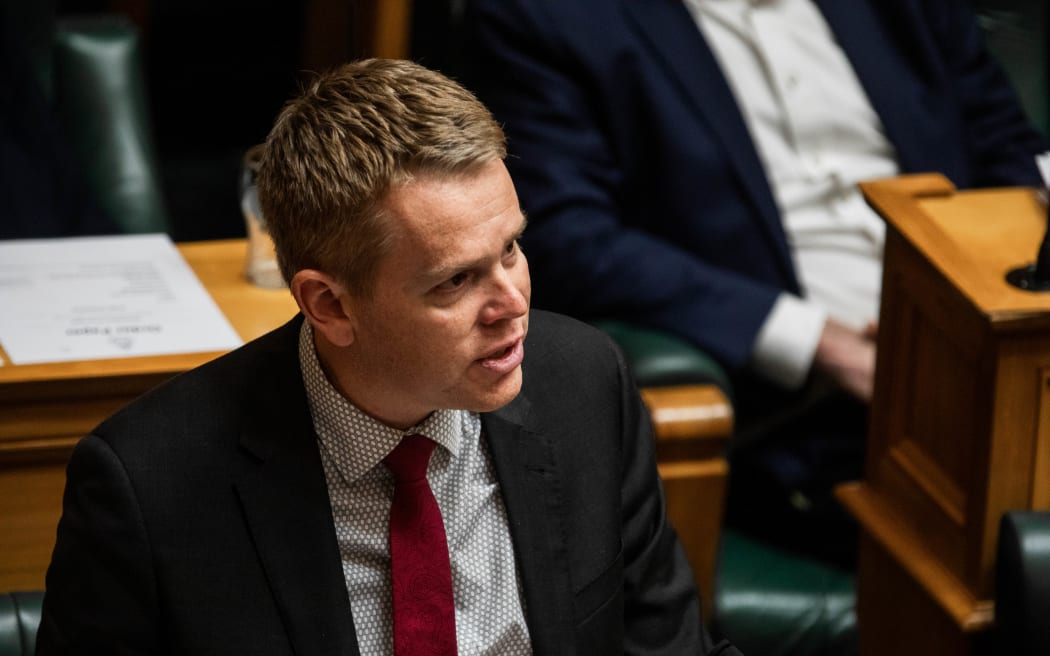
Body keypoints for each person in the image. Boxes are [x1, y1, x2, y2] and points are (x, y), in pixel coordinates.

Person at [35, 59, 740, 655]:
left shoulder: (585, 385)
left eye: (511, 250)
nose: (512, 303)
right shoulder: (149, 487)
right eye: (456, 281)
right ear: (330, 305)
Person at [462, 0, 1048, 565]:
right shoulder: (545, 16)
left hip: (1002, 351)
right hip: (805, 415)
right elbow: (569, 237)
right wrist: (820, 343)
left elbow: (1005, 147)